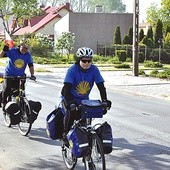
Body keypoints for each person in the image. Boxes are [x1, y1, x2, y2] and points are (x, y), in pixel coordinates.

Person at [61, 47, 111, 141]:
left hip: (84, 99)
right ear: (79, 60)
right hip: (69, 97)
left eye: (89, 61)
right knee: (71, 113)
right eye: (84, 61)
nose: (86, 63)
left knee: (86, 118)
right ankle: (65, 135)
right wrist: (69, 103)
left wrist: (104, 100)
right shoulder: (72, 70)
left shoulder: (94, 69)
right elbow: (66, 89)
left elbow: (101, 86)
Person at [0, 41, 36, 111]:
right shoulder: (13, 51)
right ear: (20, 46)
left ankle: (19, 106)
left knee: (18, 92)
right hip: (9, 75)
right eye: (24, 47)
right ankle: (4, 103)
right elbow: (1, 56)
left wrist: (32, 75)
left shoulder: (28, 55)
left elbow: (30, 65)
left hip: (19, 76)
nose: (25, 50)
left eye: (27, 48)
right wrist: (4, 50)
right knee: (7, 89)